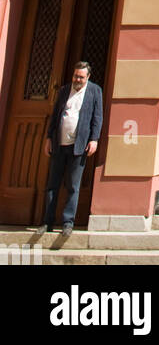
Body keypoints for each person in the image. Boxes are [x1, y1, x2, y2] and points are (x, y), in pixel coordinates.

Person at [34, 61, 103, 237]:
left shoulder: (94, 91)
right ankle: (47, 222)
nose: (77, 79)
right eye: (75, 76)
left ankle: (67, 222)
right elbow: (56, 115)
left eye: (80, 77)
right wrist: (49, 137)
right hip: (59, 143)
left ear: (88, 77)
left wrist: (94, 139)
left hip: (79, 145)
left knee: (73, 185)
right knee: (52, 185)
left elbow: (97, 117)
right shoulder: (65, 90)